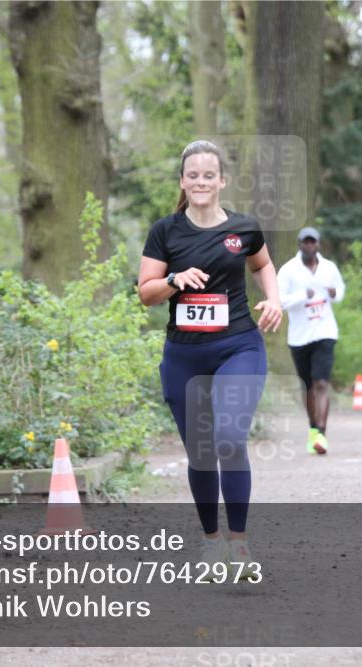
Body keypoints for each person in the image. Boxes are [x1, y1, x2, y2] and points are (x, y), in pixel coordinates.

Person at [137, 140, 282, 576]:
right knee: (201, 452)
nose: (201, 182)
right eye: (193, 175)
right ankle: (211, 543)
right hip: (184, 353)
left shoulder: (244, 228)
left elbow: (262, 266)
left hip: (238, 344)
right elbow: (146, 293)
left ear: (222, 181)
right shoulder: (166, 231)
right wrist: (175, 280)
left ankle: (239, 547)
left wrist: (274, 299)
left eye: (209, 175)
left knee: (229, 438)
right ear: (183, 181)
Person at [277, 227, 345, 455]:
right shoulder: (288, 270)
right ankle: (313, 429)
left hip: (325, 332)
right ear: (299, 245)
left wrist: (334, 292)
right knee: (307, 386)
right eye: (305, 242)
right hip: (299, 336)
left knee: (321, 384)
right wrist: (301, 295)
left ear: (318, 244)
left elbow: (341, 292)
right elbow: (278, 301)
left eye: (312, 242)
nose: (309, 246)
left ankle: (322, 435)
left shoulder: (329, 268)